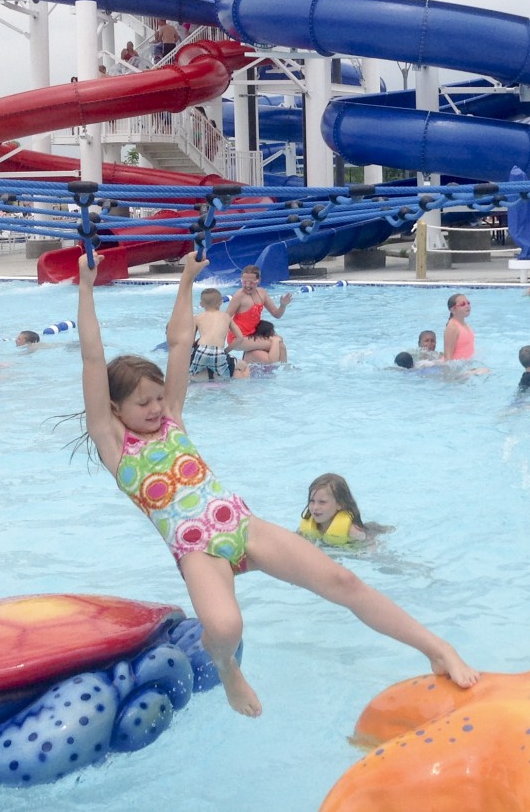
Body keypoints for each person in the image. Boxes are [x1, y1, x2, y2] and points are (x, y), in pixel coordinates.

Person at [77, 252, 478, 717]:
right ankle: (228, 668)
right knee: (226, 628)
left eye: (158, 397)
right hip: (197, 550)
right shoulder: (112, 443)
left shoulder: (173, 419)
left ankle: (435, 647)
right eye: (142, 402)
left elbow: (180, 341)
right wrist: (86, 289)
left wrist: (187, 278)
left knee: (342, 579)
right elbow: (92, 357)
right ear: (113, 407)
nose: (154, 407)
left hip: (242, 525)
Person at [225, 265, 292, 355]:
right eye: (244, 282)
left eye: (251, 282)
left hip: (253, 334)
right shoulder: (239, 296)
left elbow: (277, 314)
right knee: (277, 344)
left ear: (258, 281)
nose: (247, 285)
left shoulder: (262, 293)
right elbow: (225, 319)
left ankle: (285, 368)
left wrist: (283, 305)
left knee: (282, 345)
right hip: (238, 338)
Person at [192, 287, 249, 380]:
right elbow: (240, 338)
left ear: (201, 304)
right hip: (219, 352)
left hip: (201, 351)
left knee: (191, 374)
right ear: (221, 302)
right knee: (241, 368)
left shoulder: (197, 318)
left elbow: (190, 341)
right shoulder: (226, 317)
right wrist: (226, 351)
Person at [298, 473, 368, 545]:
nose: (315, 507)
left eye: (322, 502)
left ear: (340, 504)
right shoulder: (306, 526)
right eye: (312, 501)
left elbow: (369, 547)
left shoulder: (353, 532)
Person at [443, 293, 475, 361]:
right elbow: (448, 356)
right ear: (453, 310)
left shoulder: (464, 324)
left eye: (468, 303)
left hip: (465, 365)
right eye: (462, 304)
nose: (467, 306)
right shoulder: (452, 327)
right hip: (458, 369)